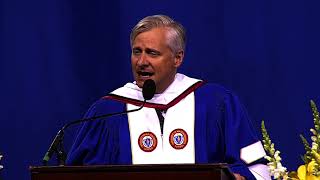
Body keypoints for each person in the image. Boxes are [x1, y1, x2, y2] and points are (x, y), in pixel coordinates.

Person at [66, 15, 270, 180]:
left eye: (152, 53)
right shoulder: (108, 112)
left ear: (177, 58)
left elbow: (257, 167)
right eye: (137, 52)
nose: (141, 61)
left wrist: (236, 178)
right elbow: (77, 174)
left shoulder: (217, 103)